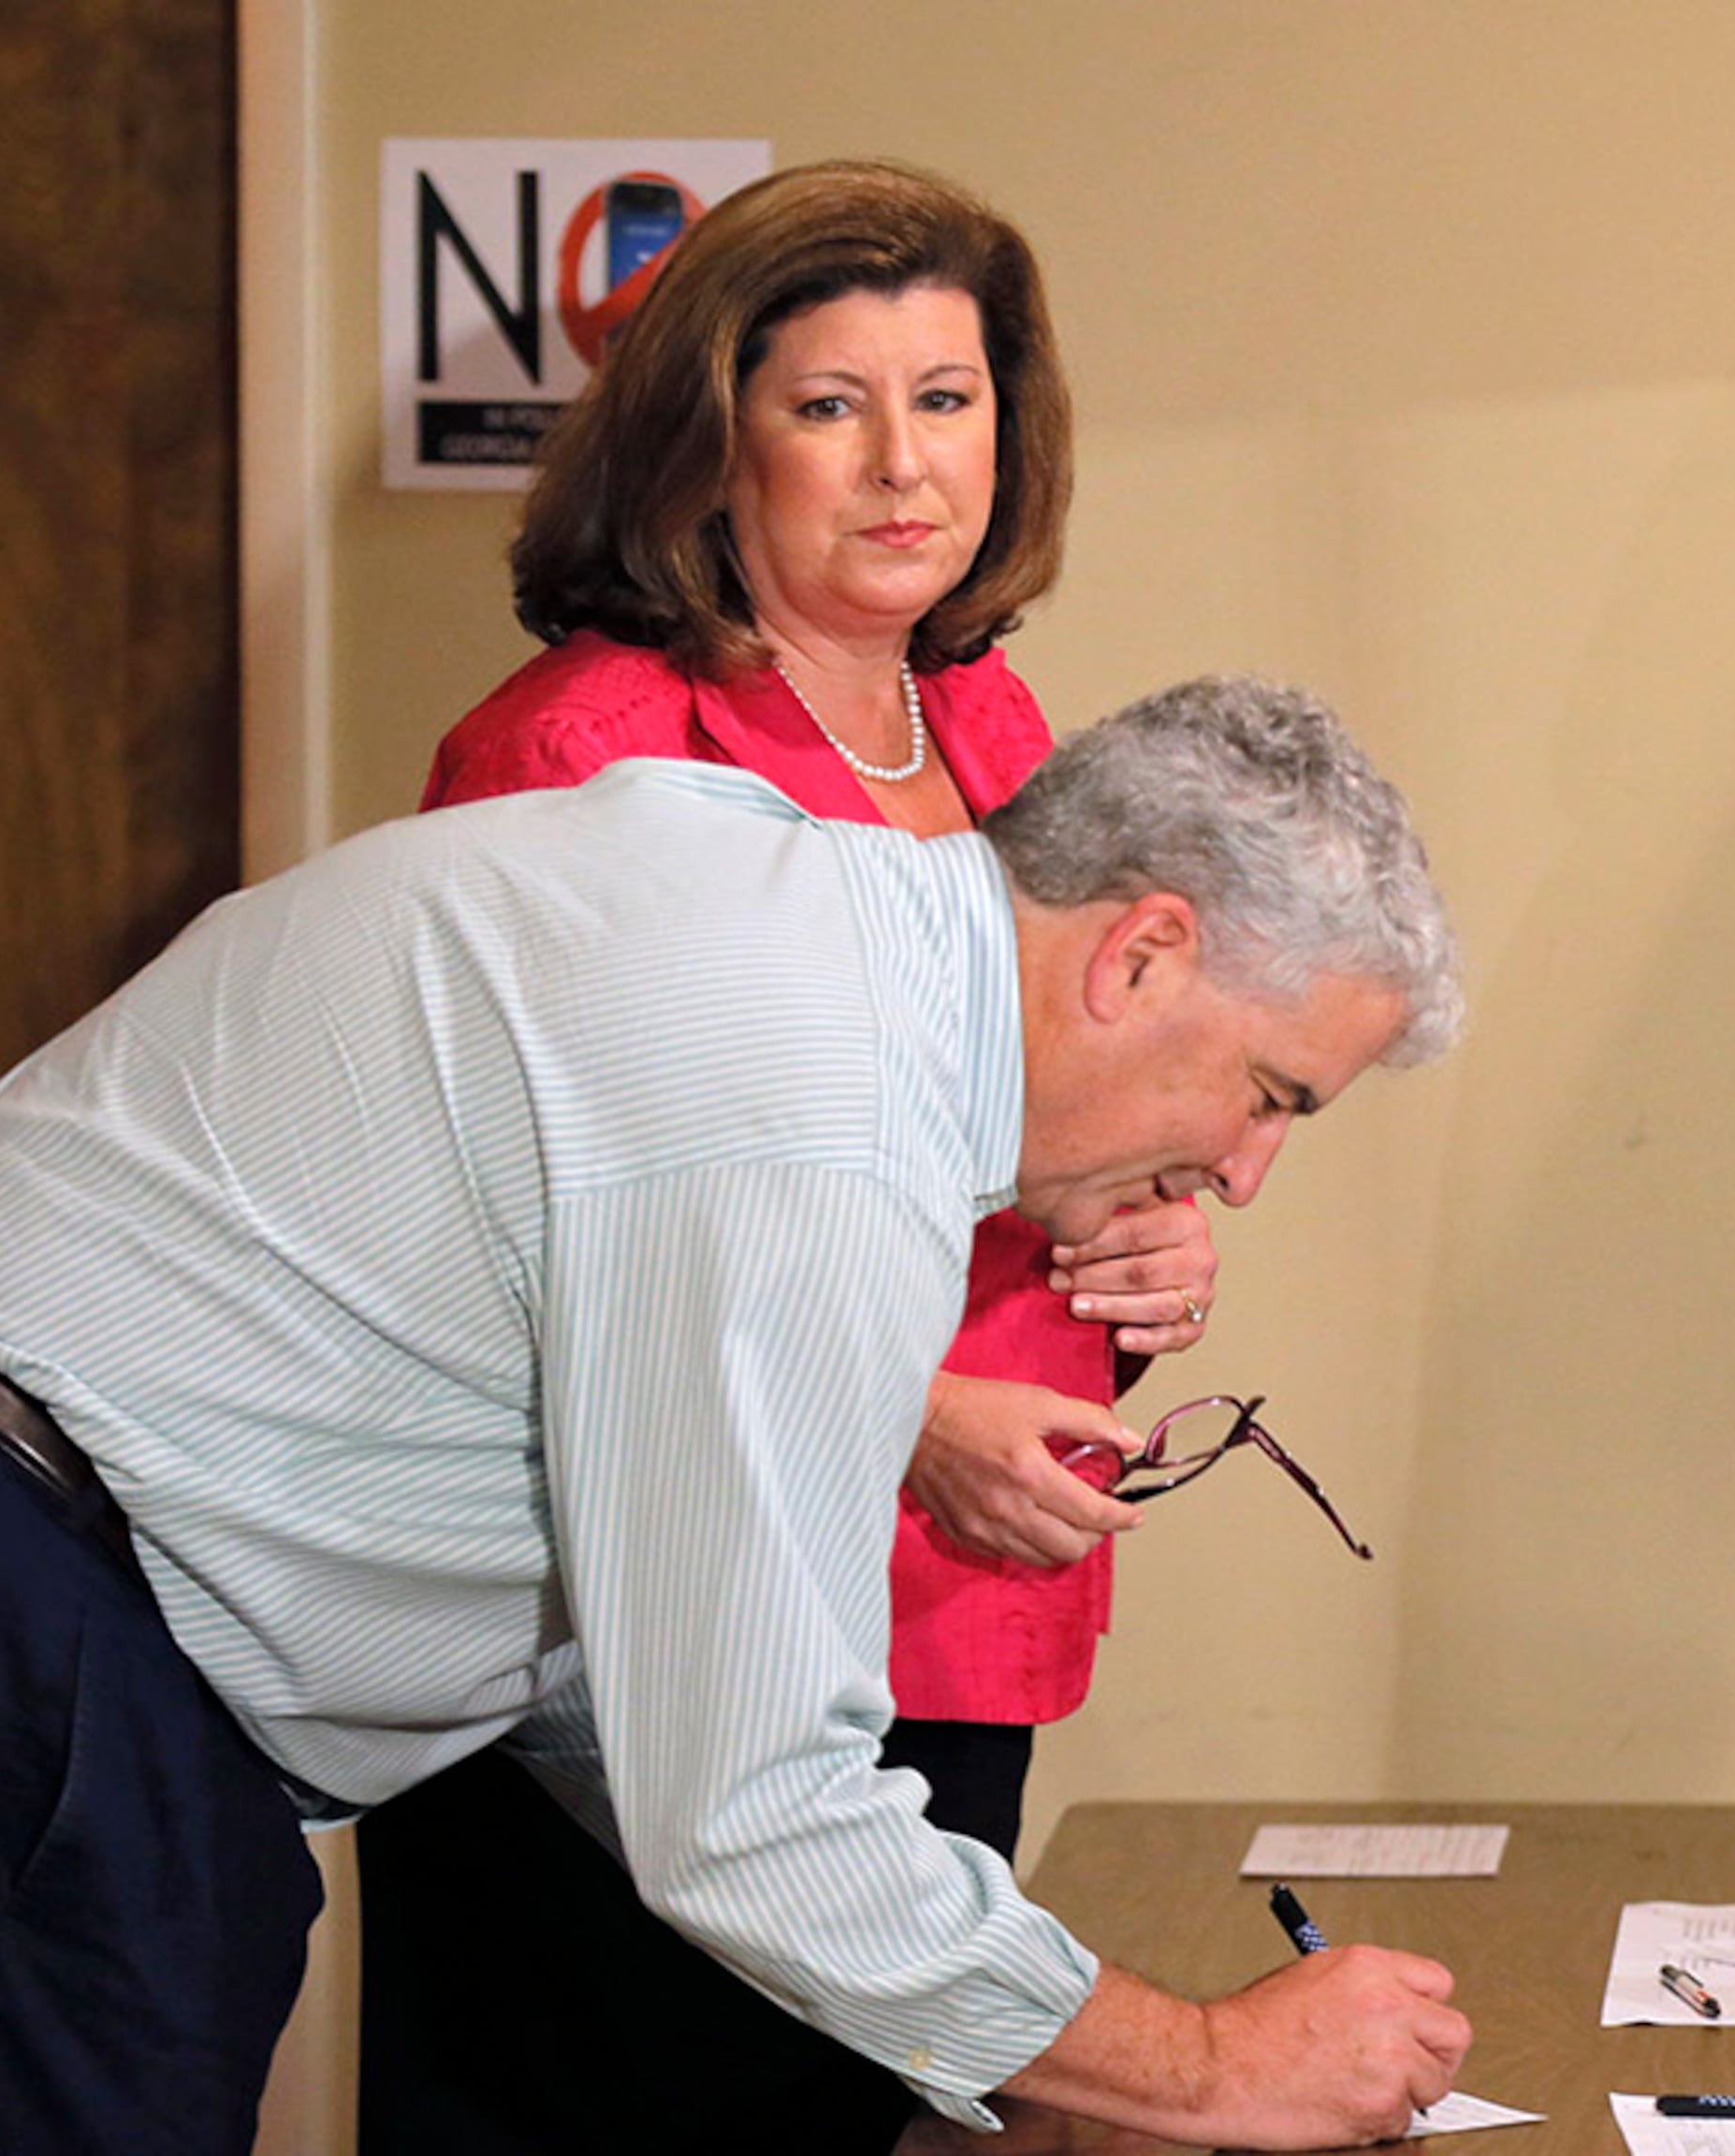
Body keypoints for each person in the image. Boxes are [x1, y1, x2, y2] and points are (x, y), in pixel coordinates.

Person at [0, 677, 1473, 2155]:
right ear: (1141, 951)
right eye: (1269, 1092)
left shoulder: (794, 909)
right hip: (8, 1593)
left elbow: (631, 1678)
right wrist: (1212, 2067)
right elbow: (750, 1807)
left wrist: (1047, 2042)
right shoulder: (821, 1121)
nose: (1242, 1168)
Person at [360, 157, 1229, 2152]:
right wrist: (913, 1409)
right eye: (830, 406)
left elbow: (1048, 1104)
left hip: (949, 1620)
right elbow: (539, 1250)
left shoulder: (994, 725)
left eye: (949, 400)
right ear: (707, 444)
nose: (903, 467)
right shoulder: (585, 751)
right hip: (658, 1648)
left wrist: (1151, 1235)